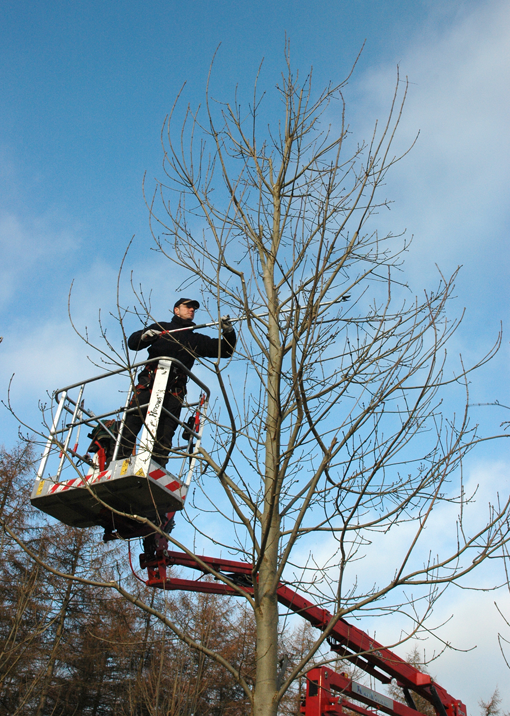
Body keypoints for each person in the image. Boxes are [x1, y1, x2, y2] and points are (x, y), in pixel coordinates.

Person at [118, 297, 236, 467]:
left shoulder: (195, 340)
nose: (191, 310)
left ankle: (157, 467)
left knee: (165, 432)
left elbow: (225, 350)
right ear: (176, 310)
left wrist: (228, 332)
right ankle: (118, 460)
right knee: (133, 420)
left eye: (194, 308)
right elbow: (133, 343)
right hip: (150, 383)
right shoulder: (162, 329)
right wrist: (145, 337)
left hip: (175, 389)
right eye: (187, 307)